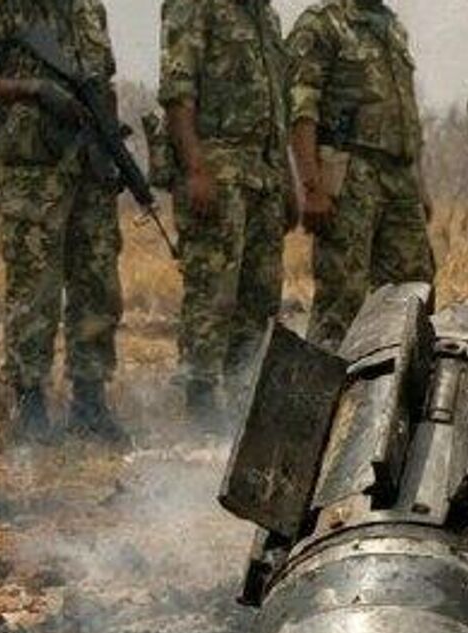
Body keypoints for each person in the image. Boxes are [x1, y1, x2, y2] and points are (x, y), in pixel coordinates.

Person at [0, 0, 127, 445]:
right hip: (32, 172)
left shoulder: (90, 9)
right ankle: (30, 405)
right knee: (34, 293)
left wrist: (112, 148)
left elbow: (102, 85)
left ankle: (90, 405)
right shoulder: (2, 5)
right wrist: (31, 89)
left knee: (99, 286)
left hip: (89, 171)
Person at [160, 0, 290, 429]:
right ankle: (200, 399)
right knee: (212, 291)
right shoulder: (195, 6)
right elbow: (177, 94)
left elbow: (279, 107)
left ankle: (243, 396)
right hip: (217, 169)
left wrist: (286, 179)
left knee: (261, 295)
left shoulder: (265, 15)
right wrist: (196, 168)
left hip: (263, 174)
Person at [286, 0, 433, 351]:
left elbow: (407, 115)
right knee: (342, 296)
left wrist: (420, 184)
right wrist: (312, 186)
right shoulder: (323, 23)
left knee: (414, 289)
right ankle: (325, 381)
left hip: (399, 178)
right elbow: (301, 107)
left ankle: (399, 377)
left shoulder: (391, 28)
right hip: (349, 175)